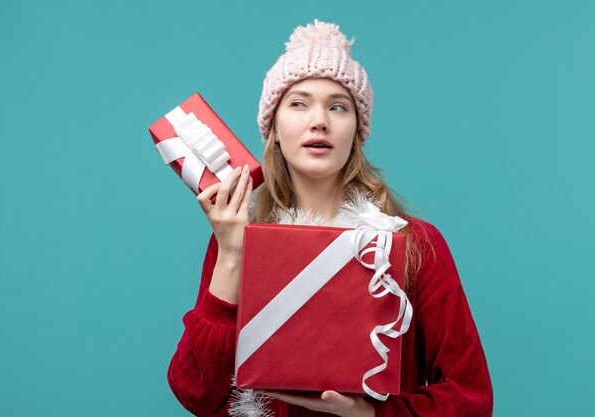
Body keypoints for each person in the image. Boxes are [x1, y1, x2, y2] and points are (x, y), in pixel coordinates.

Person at [167, 19, 494, 417]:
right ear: (273, 131)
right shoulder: (234, 238)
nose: (319, 120)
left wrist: (373, 414)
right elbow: (196, 395)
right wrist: (232, 254)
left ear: (356, 130)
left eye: (338, 106)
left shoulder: (416, 246)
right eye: (299, 103)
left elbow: (472, 398)